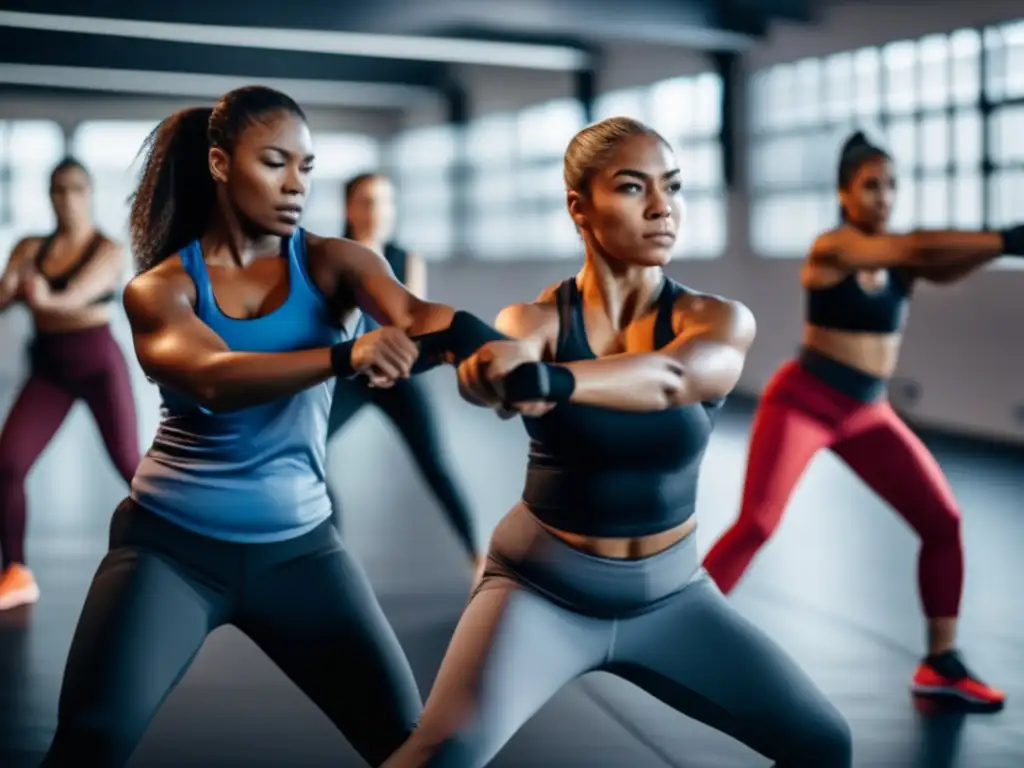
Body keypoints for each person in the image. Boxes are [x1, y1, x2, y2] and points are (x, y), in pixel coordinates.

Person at [41, 85, 508, 768]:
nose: (297, 185)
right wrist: (347, 353)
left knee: (408, 747)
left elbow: (416, 315)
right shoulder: (162, 288)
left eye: (307, 167)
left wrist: (494, 348)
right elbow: (214, 377)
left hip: (301, 552)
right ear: (222, 164)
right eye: (275, 163)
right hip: (169, 551)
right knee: (89, 745)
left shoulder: (334, 261)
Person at [382, 117, 853, 768]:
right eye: (634, 188)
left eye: (674, 187)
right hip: (540, 594)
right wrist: (489, 375)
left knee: (825, 744)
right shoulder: (538, 320)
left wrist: (549, 378)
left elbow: (674, 377)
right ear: (581, 207)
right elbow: (507, 362)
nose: (663, 207)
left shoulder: (713, 318)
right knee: (443, 753)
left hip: (672, 597)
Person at [703, 131, 1024, 713]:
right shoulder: (835, 248)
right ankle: (682, 629)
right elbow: (919, 247)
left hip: (867, 411)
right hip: (804, 399)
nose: (884, 197)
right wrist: (1005, 235)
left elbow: (940, 263)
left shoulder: (901, 261)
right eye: (871, 186)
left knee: (943, 521)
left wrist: (1002, 247)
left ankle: (942, 663)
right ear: (844, 194)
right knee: (758, 523)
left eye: (892, 186)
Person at [0, 157, 138, 611]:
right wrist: (13, 289)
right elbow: (4, 298)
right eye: (58, 189)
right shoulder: (28, 247)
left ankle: (189, 550)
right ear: (49, 195)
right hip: (50, 371)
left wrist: (41, 295)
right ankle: (16, 572)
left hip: (98, 365)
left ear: (90, 193)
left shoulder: (108, 250)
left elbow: (72, 297)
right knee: (8, 463)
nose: (67, 199)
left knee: (130, 467)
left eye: (76, 189)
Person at [327, 172, 480, 567]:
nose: (378, 211)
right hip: (349, 375)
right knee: (304, 452)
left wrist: (401, 363)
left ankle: (478, 559)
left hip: (395, 375)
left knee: (435, 463)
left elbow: (414, 324)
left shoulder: (406, 258)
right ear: (349, 208)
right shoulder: (333, 258)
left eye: (385, 202)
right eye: (367, 201)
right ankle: (329, 560)